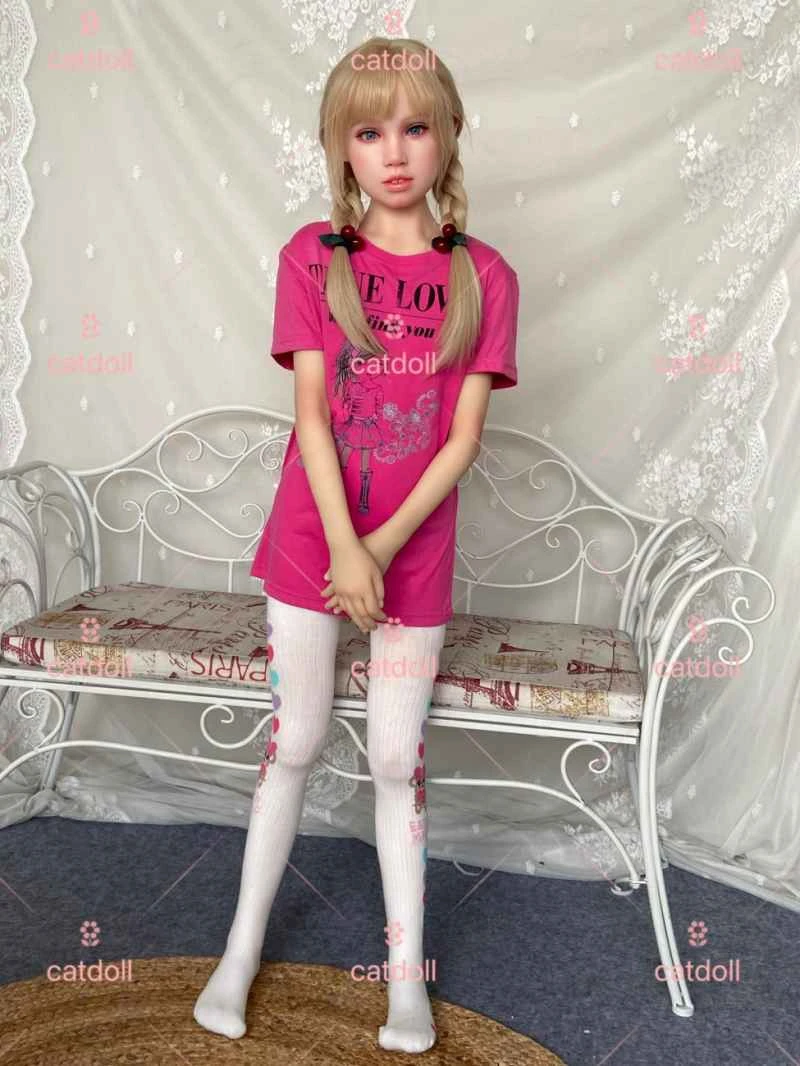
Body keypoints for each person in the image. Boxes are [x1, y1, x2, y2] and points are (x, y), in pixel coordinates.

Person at [193, 35, 519, 1055]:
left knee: (390, 758)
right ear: (340, 147)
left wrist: (377, 549)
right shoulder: (312, 256)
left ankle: (405, 979)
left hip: (409, 555)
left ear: (448, 134)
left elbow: (461, 439)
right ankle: (238, 952)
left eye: (415, 127)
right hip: (312, 542)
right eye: (369, 132)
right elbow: (310, 416)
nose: (394, 151)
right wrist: (343, 547)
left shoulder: (483, 275)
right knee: (292, 741)